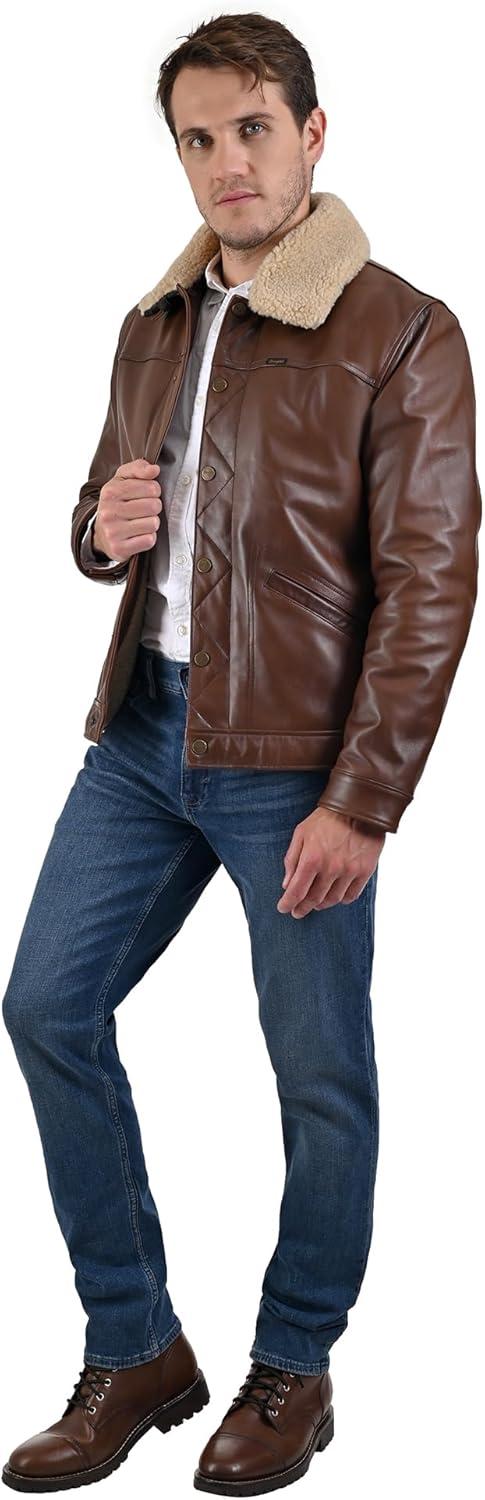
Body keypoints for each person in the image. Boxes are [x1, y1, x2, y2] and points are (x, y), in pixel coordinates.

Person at [2, 11, 481, 1497]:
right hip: (144, 740)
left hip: (297, 766)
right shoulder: (151, 323)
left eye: (252, 129)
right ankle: (137, 1346)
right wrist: (98, 532)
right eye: (198, 139)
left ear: (311, 134)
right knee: (45, 1006)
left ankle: (295, 1366)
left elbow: (431, 581)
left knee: (319, 1077)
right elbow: (105, 513)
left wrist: (364, 799)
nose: (227, 163)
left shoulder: (402, 331)